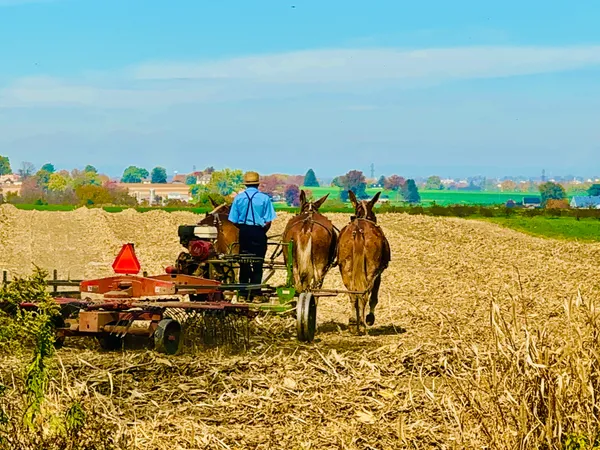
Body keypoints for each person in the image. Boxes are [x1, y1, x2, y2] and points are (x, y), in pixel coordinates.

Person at [228, 171, 276, 299]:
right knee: (258, 264)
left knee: (244, 263)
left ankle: (243, 293)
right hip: (259, 233)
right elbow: (268, 220)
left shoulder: (238, 198)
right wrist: (261, 232)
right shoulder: (265, 198)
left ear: (246, 185)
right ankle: (256, 294)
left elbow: (233, 220)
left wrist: (243, 228)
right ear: (257, 184)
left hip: (244, 233)